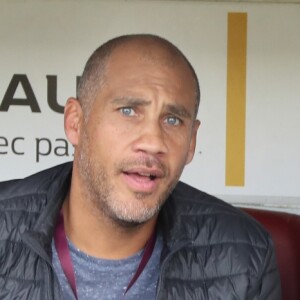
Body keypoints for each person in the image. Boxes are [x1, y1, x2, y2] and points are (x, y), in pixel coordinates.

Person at [0, 34, 281, 300]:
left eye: (172, 120)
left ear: (192, 141)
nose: (153, 142)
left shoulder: (245, 255)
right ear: (75, 122)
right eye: (128, 111)